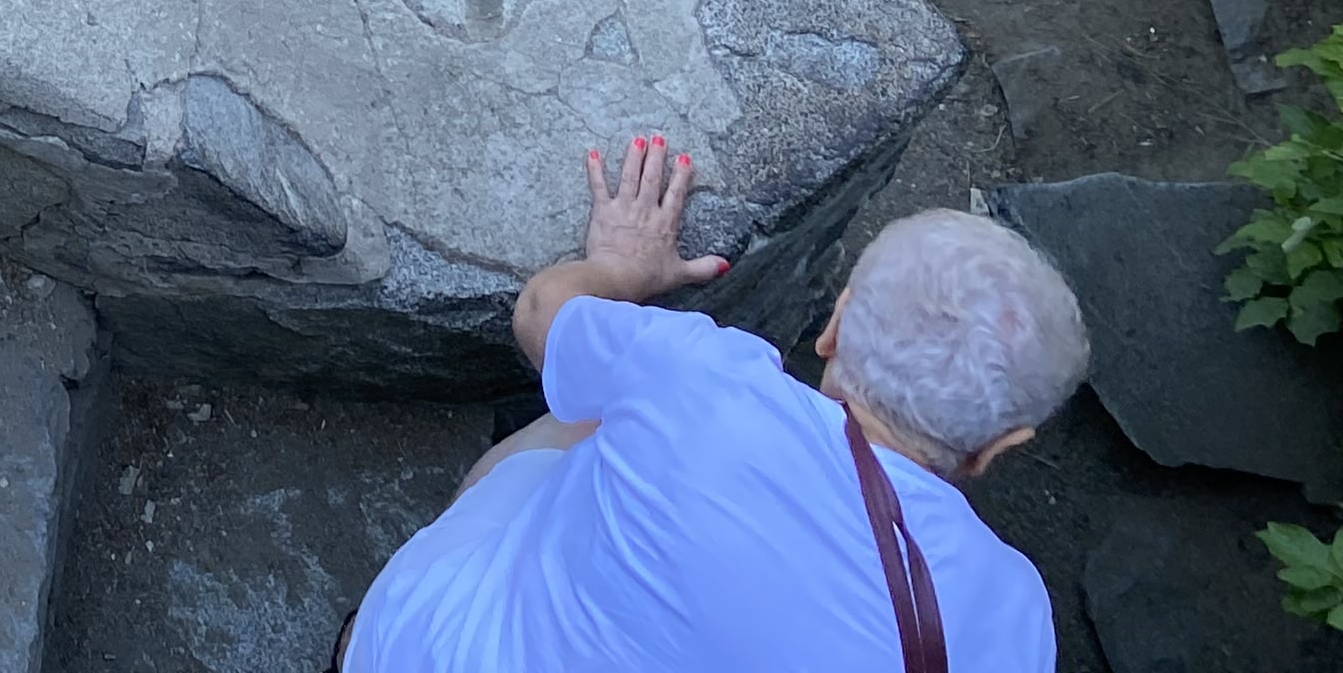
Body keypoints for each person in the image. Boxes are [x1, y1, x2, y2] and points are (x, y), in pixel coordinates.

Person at [343, 136, 1088, 672]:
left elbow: (541, 311)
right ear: (1001, 446)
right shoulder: (1016, 620)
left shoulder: (705, 382)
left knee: (592, 412)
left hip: (424, 651)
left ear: (834, 328)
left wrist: (620, 269)